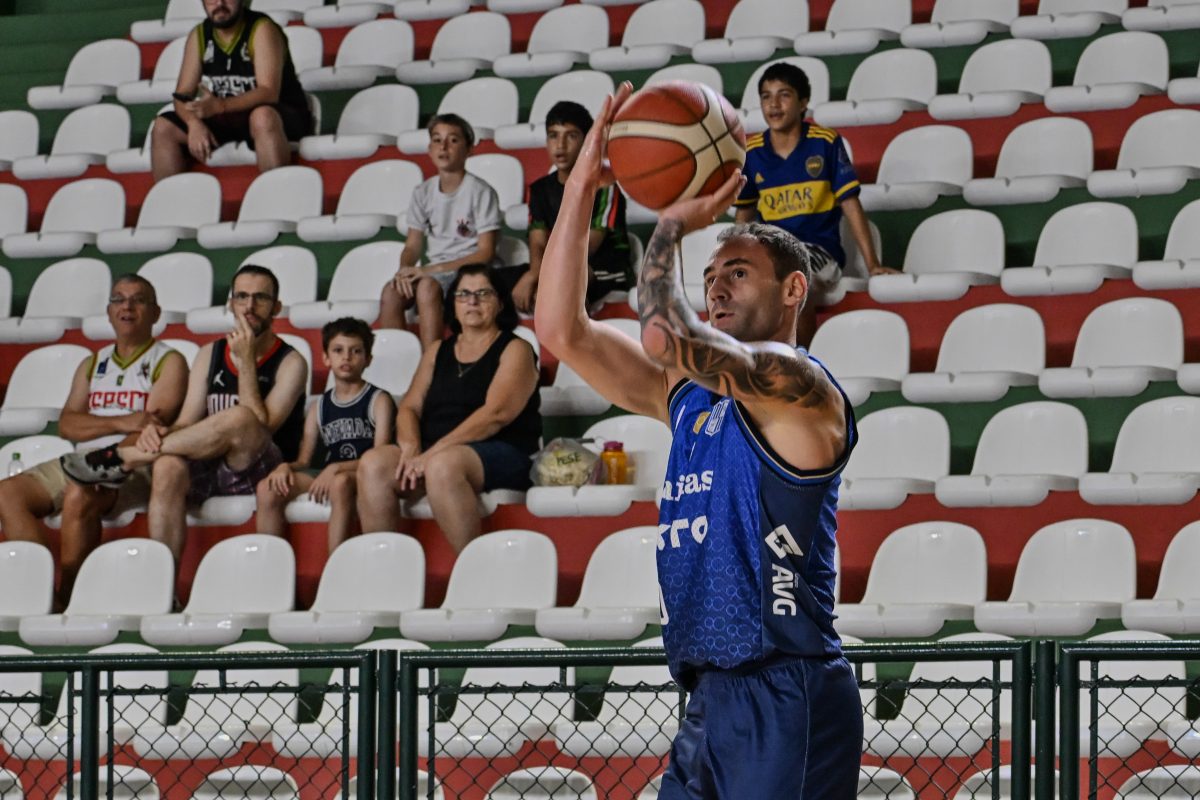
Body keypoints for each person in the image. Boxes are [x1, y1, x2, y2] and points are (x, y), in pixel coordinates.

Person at [535, 82, 861, 798]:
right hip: (709, 697)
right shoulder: (685, 395)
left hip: (788, 690)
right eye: (709, 277)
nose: (716, 289)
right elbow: (560, 328)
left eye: (737, 274)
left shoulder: (802, 388)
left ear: (794, 291)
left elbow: (664, 335)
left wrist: (668, 230)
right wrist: (582, 188)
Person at [61, 265, 308, 563]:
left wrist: (245, 363)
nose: (249, 306)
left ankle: (124, 457)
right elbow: (186, 421)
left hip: (260, 469)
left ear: (276, 308)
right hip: (211, 462)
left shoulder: (291, 361)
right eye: (242, 297)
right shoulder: (210, 353)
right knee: (167, 466)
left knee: (241, 417)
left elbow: (262, 429)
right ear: (231, 304)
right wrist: (161, 434)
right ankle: (164, 578)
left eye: (261, 298)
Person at [0, 276, 188, 604]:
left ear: (156, 313)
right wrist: (120, 420)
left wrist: (107, 436)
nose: (127, 307)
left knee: (79, 493)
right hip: (82, 459)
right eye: (118, 300)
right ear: (109, 312)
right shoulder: (92, 362)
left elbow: (149, 429)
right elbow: (68, 425)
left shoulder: (168, 361)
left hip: (132, 463)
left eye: (138, 300)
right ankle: (42, 595)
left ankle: (70, 598)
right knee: (7, 493)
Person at [358, 264, 540, 553]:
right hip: (435, 450)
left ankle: (472, 569)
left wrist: (431, 455)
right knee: (374, 464)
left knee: (442, 466)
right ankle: (386, 568)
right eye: (463, 294)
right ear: (453, 304)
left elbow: (495, 415)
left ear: (500, 303)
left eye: (483, 293)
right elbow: (409, 407)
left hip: (501, 449)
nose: (472, 301)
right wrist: (411, 449)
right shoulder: (437, 351)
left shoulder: (516, 348)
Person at [734, 61, 896, 345]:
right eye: (766, 96)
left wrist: (872, 264)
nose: (774, 104)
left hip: (819, 249)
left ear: (803, 102)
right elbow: (745, 212)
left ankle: (800, 359)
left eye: (784, 95)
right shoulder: (753, 151)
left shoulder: (825, 142)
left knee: (794, 279)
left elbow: (850, 204)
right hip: (772, 250)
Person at [255, 317, 395, 553]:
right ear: (326, 358)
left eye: (356, 351)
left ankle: (336, 563)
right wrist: (285, 467)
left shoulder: (378, 400)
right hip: (326, 472)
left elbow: (379, 458)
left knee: (340, 483)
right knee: (266, 488)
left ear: (368, 359)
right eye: (338, 350)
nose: (346, 357)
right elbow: (304, 460)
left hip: (360, 474)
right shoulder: (319, 407)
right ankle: (269, 564)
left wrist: (337, 468)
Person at [150, 0, 313, 181]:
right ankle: (169, 197)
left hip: (281, 114)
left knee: (262, 116)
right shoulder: (200, 35)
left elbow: (268, 92)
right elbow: (182, 95)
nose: (219, 4)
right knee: (163, 127)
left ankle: (276, 191)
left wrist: (221, 105)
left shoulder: (261, 28)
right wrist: (193, 123)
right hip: (230, 115)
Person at [378, 114, 502, 348]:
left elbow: (485, 252)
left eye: (453, 140)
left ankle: (432, 360)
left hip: (470, 270)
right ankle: (395, 359)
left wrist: (430, 270)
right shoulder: (422, 192)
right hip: (436, 271)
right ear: (429, 148)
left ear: (468, 149)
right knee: (391, 293)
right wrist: (404, 270)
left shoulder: (481, 191)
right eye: (437, 140)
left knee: (427, 287)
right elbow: (412, 245)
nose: (443, 147)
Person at [509, 101, 631, 314]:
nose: (560, 145)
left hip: (603, 267)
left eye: (571, 136)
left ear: (586, 142)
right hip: (557, 266)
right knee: (487, 283)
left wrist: (544, 277)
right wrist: (534, 273)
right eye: (553, 136)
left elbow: (588, 246)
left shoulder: (604, 186)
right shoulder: (539, 189)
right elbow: (538, 242)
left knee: (562, 289)